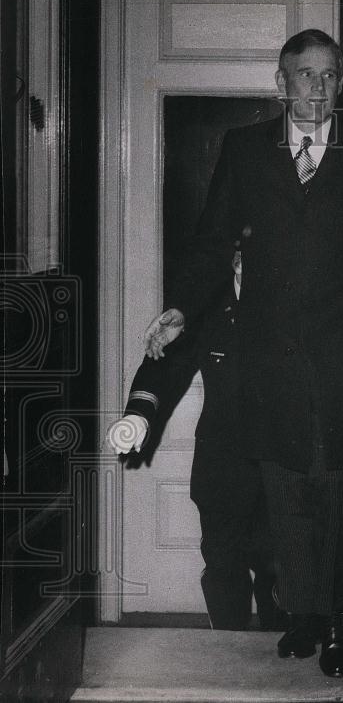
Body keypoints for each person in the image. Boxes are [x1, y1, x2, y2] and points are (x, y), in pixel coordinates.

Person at [143, 29, 343, 677]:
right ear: (281, 82)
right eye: (306, 75)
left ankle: (341, 621)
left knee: (338, 490)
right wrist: (181, 308)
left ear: (341, 82)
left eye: (330, 76)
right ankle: (303, 613)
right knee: (286, 487)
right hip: (269, 357)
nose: (319, 88)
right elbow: (213, 244)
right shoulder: (245, 149)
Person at [107, 252, 283, 631]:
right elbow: (163, 363)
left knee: (280, 567)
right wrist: (139, 413)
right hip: (221, 462)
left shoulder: (291, 300)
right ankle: (226, 646)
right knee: (222, 565)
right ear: (236, 260)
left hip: (281, 461)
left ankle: (280, 645)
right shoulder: (205, 308)